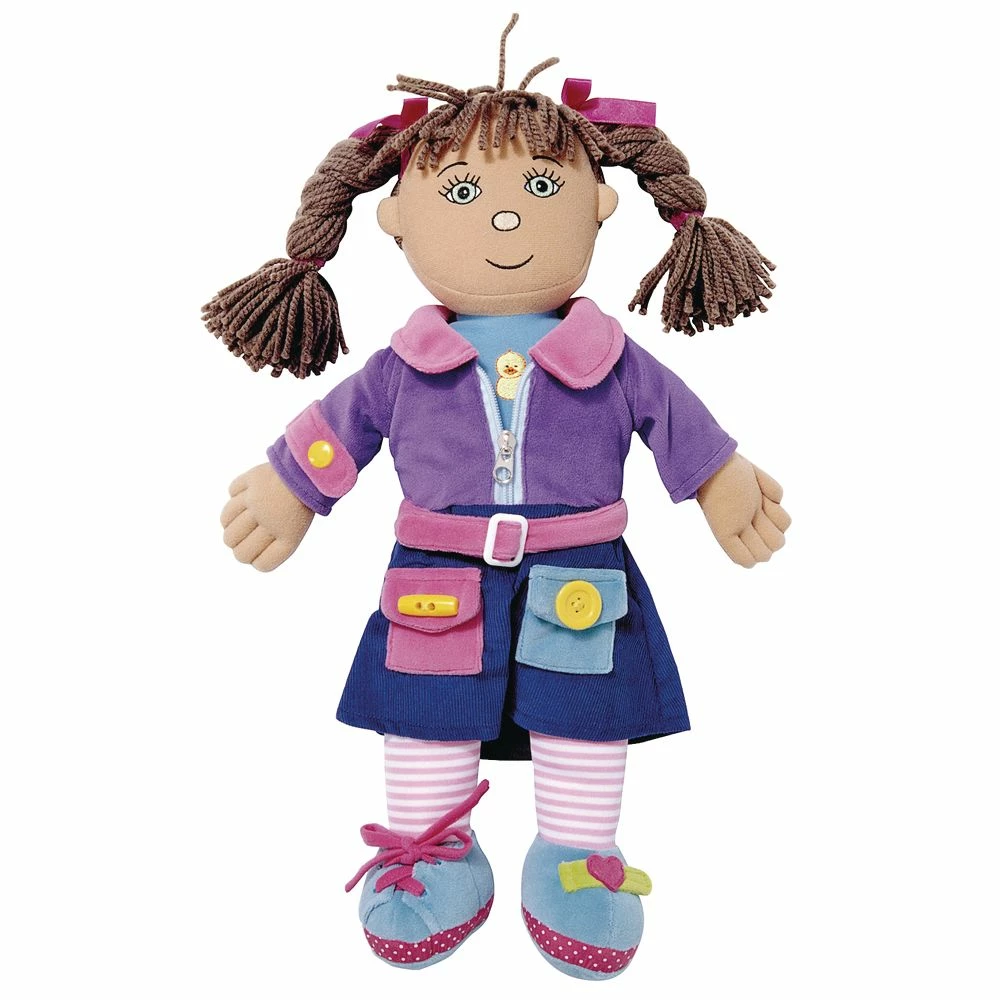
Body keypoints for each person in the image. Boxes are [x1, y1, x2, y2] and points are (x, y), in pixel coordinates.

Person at [205, 15, 790, 980]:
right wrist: (291, 481)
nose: (507, 219)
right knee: (426, 709)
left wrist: (716, 475)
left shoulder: (611, 357)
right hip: (437, 575)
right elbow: (344, 423)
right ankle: (433, 849)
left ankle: (577, 859)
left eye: (543, 189)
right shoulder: (404, 364)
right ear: (397, 220)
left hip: (579, 573)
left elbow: (673, 419)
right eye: (464, 194)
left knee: (583, 710)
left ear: (599, 204)